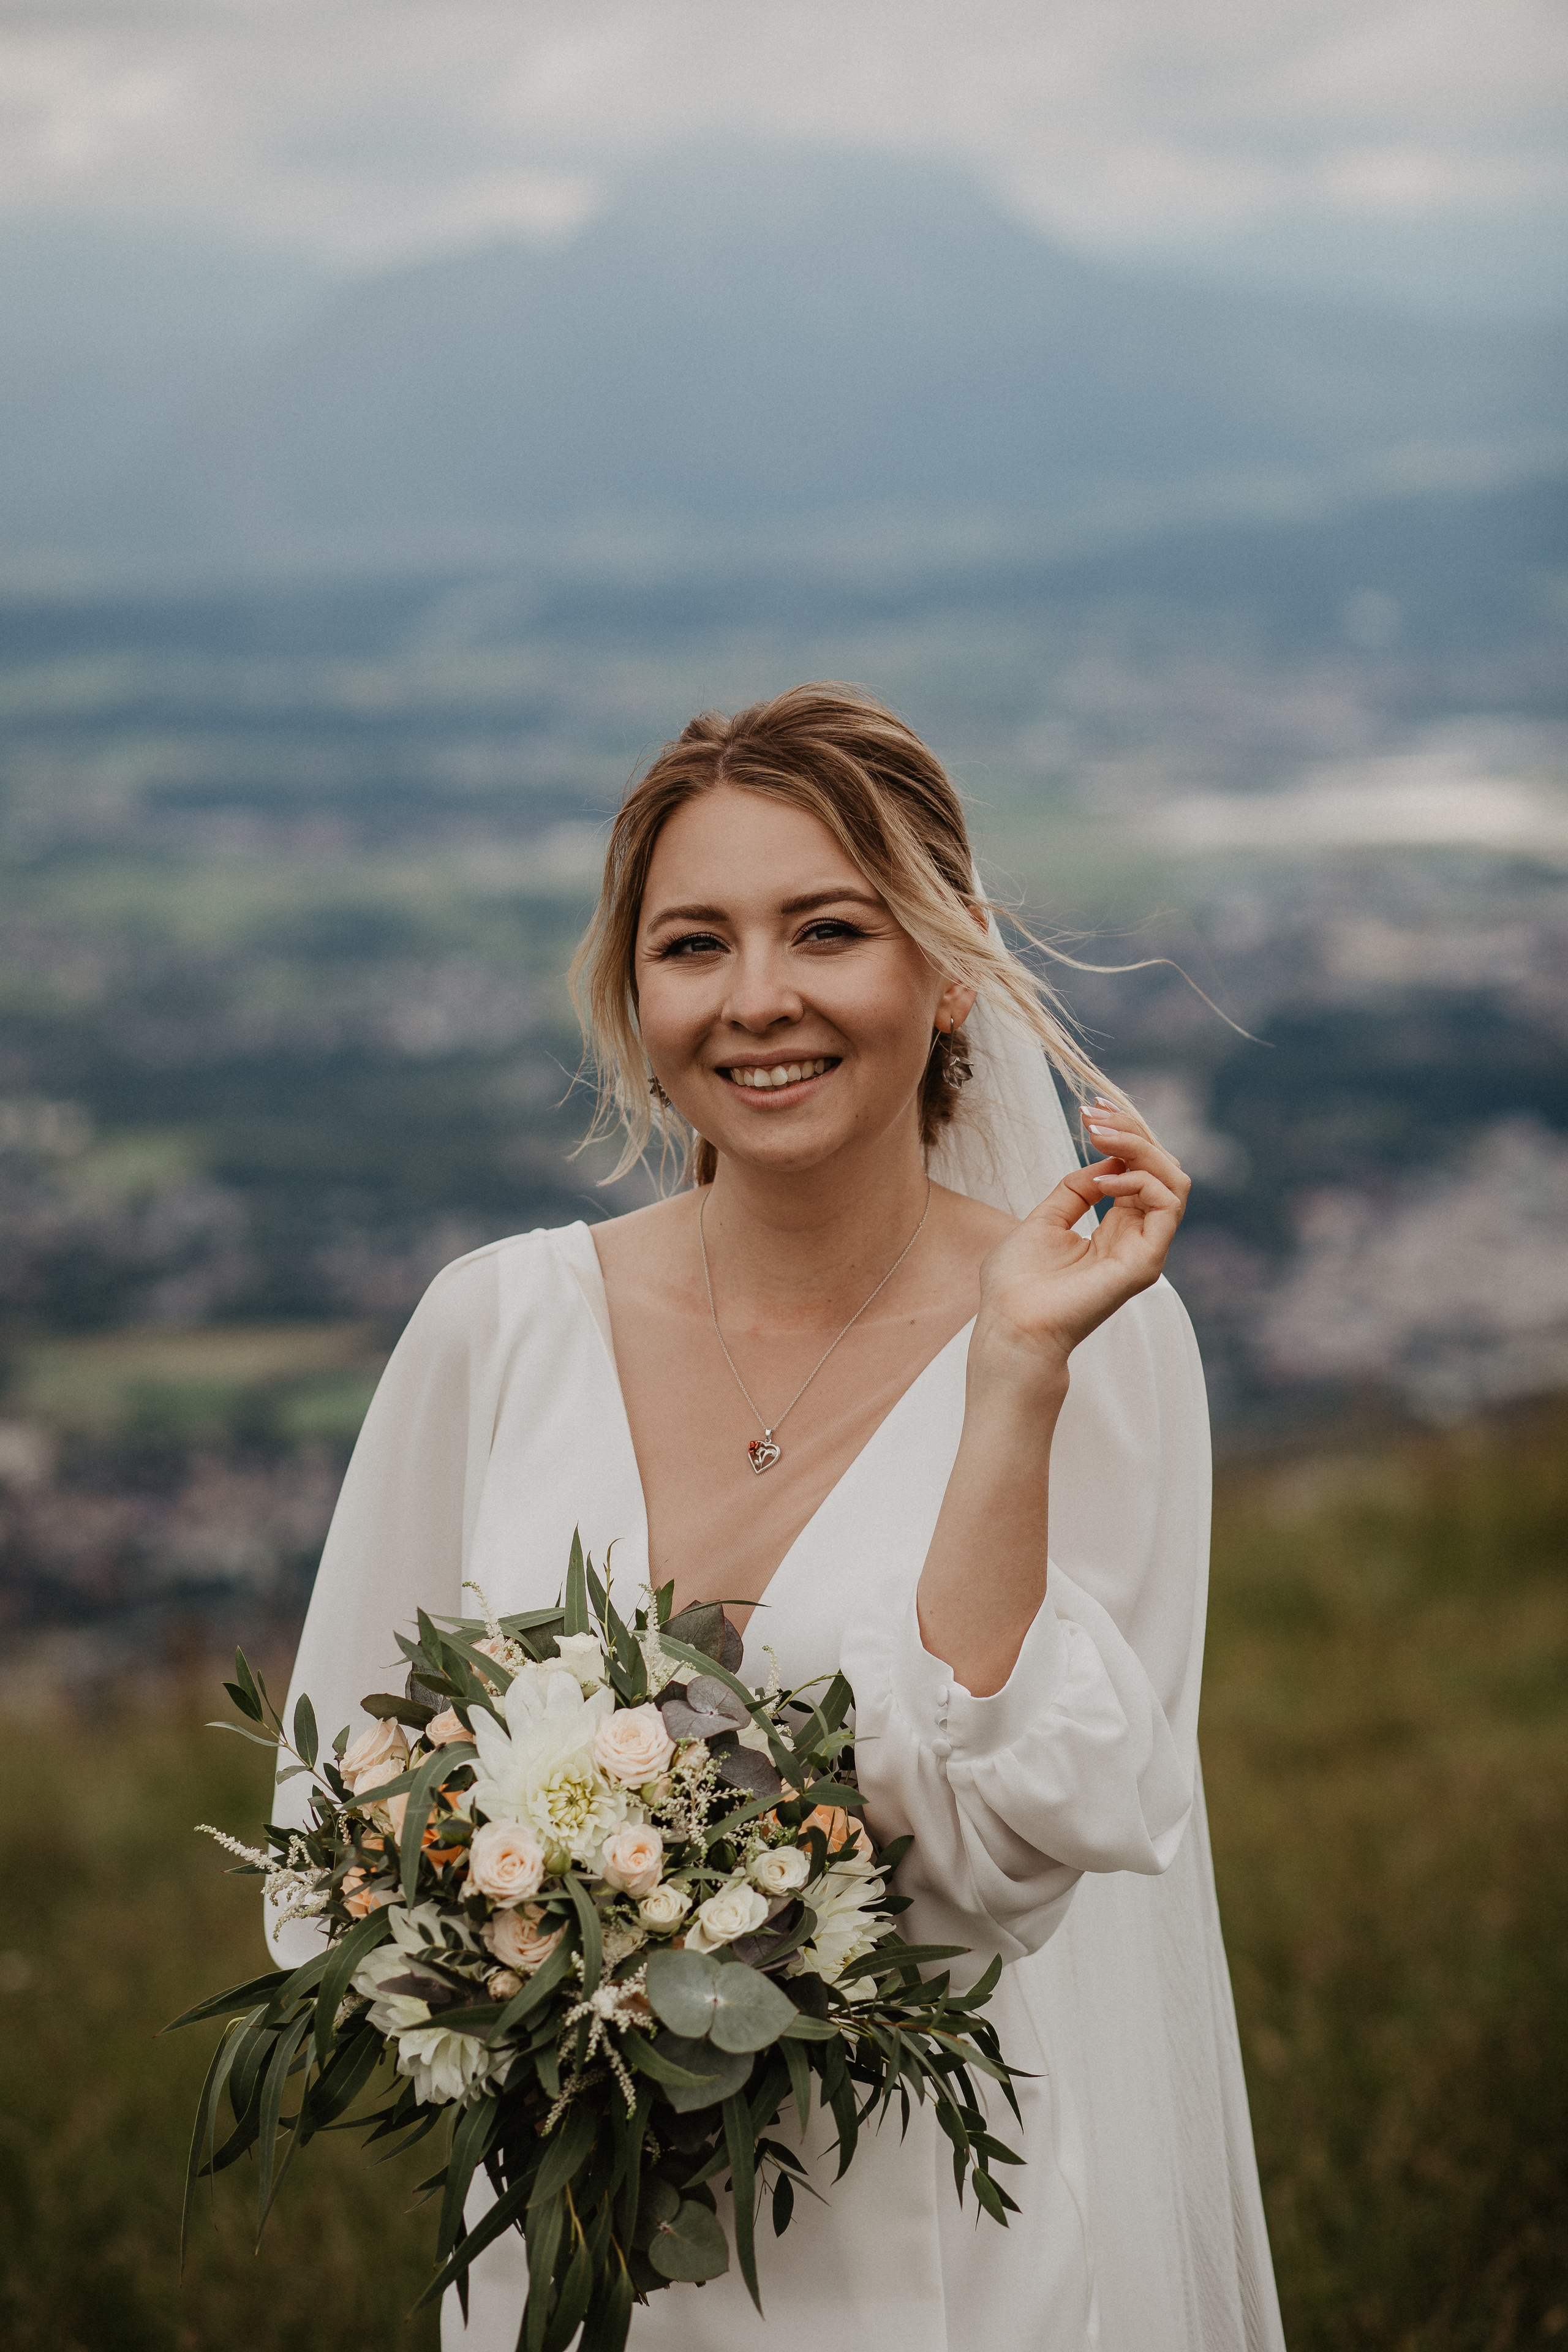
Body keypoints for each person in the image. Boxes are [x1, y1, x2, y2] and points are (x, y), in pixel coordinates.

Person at [271, 684, 1285, 2351]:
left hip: (948, 2241)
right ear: (631, 996)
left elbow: (1025, 1851)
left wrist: (1015, 1372)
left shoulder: (1099, 1330)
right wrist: (536, 1948)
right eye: (693, 946)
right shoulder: (494, 1325)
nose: (759, 1001)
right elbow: (331, 1831)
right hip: (583, 2243)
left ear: (942, 968)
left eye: (827, 930)